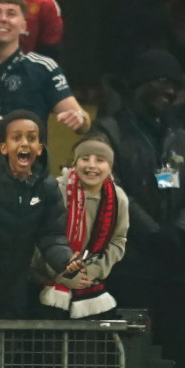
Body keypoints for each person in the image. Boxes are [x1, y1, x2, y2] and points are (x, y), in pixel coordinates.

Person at [92, 49, 185, 368]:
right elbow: (111, 186)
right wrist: (153, 233)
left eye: (174, 85)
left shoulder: (180, 137)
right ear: (140, 85)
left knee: (179, 350)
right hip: (131, 265)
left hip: (177, 263)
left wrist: (181, 232)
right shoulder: (110, 131)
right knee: (130, 351)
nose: (170, 91)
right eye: (161, 82)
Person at [0, 110, 76, 319]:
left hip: (17, 284)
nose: (24, 143)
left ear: (39, 148)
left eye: (31, 138)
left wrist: (65, 261)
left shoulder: (47, 187)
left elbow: (52, 235)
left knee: (11, 345)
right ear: (3, 147)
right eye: (16, 137)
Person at [0, 0, 89, 144]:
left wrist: (80, 119)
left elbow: (82, 122)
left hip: (28, 165)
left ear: (24, 25)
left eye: (11, 14)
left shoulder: (43, 68)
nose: (3, 19)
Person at [36, 133, 129, 319]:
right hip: (48, 282)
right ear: (74, 162)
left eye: (100, 160)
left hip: (90, 283)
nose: (91, 165)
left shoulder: (118, 198)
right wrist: (61, 272)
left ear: (110, 166)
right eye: (85, 158)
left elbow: (118, 242)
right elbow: (37, 237)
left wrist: (91, 271)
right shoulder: (55, 189)